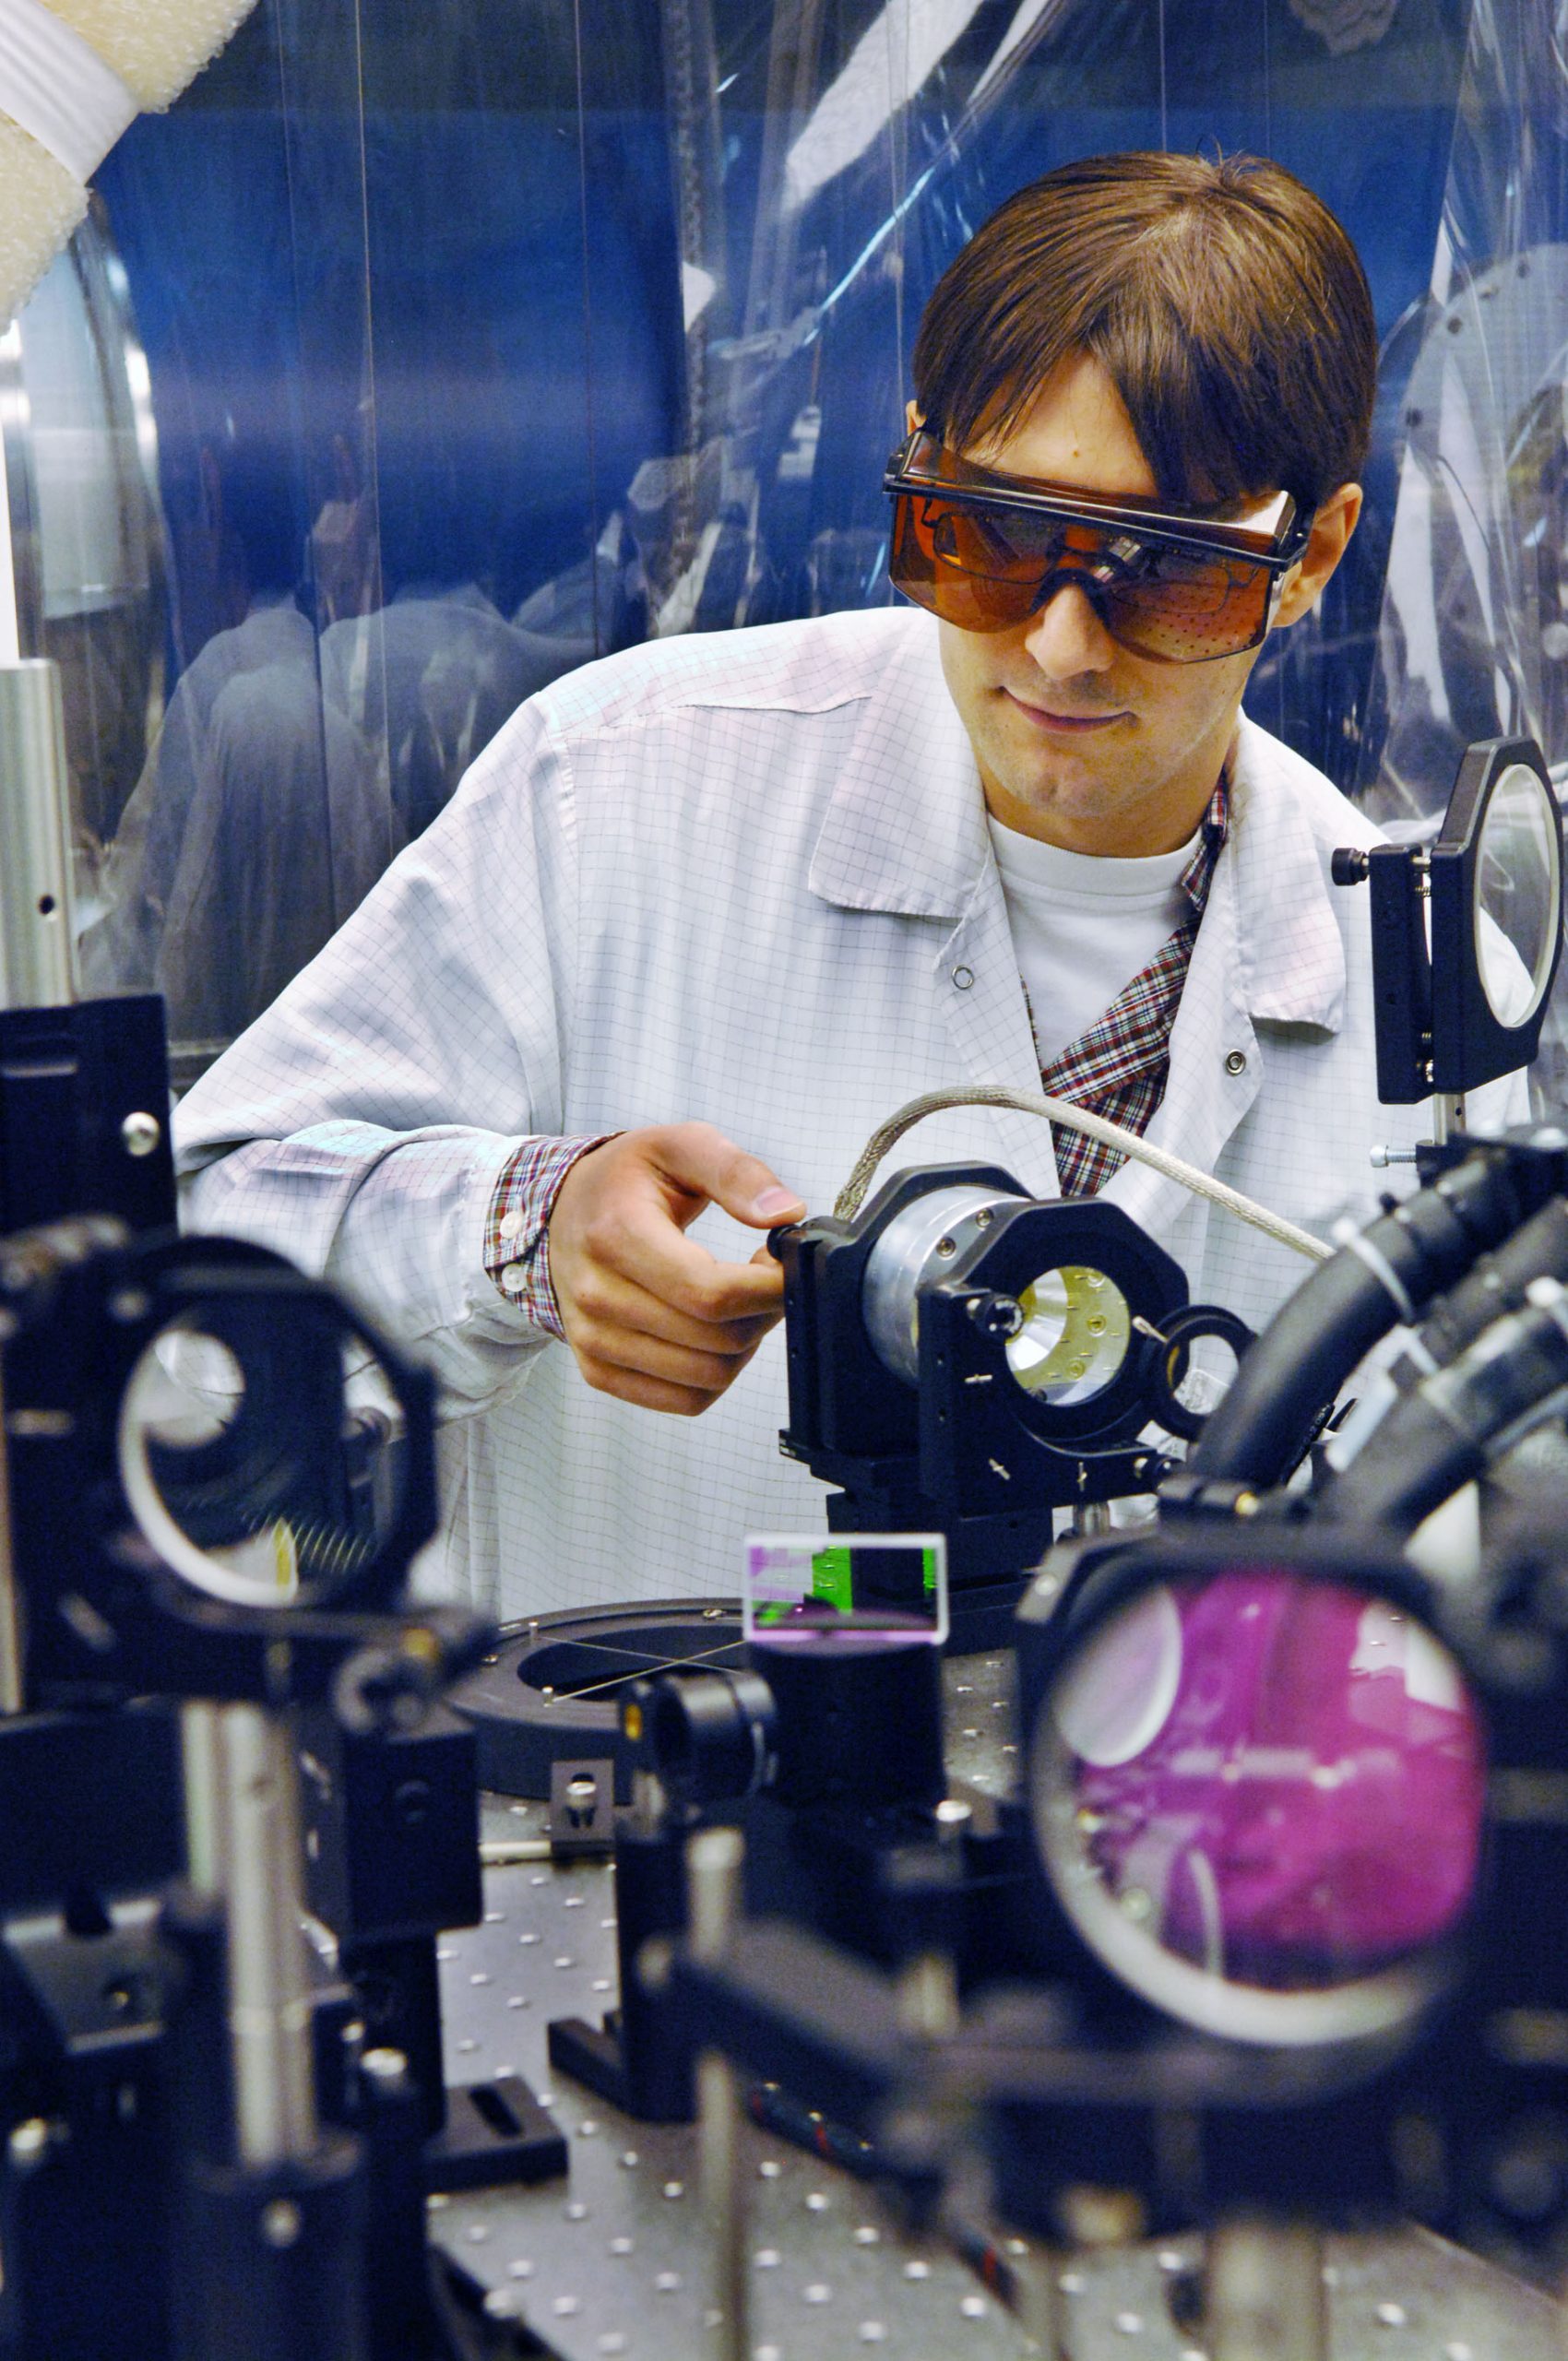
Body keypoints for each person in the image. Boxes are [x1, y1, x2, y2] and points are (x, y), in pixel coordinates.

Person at [173, 150, 1508, 1616]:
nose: (1061, 646)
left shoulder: (1412, 983)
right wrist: (520, 1237)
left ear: (1309, 554)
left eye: (1161, 569)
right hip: (635, 1815)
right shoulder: (617, 786)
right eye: (991, 539)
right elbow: (201, 1231)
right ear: (923, 464)